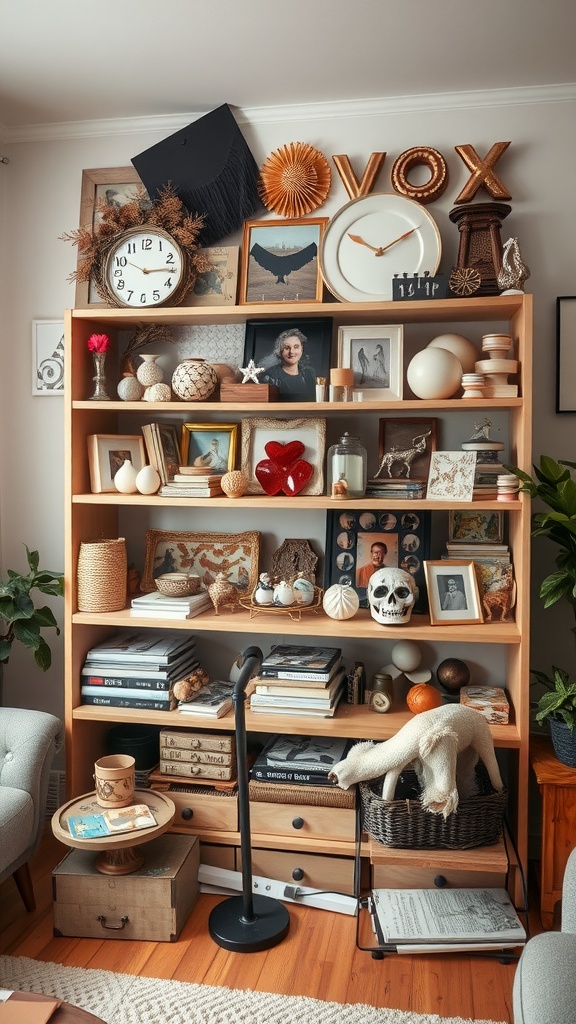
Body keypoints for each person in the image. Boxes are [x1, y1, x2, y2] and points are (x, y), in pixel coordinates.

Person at [261, 328, 316, 400]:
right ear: (280, 350)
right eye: (287, 348)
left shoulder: (309, 373)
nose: (292, 352)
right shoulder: (270, 375)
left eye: (296, 347)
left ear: (301, 349)